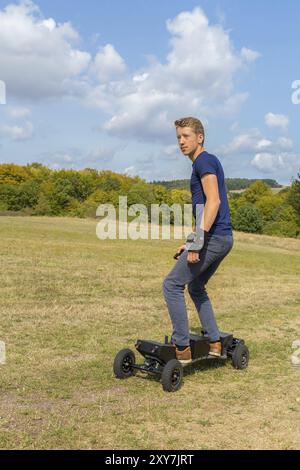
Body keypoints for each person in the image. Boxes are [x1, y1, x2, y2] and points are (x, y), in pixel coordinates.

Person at [163, 117, 234, 363]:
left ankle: (182, 348)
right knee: (196, 286)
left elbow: (214, 201)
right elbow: (205, 207)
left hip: (214, 237)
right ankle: (214, 342)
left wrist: (197, 243)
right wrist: (191, 239)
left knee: (172, 284)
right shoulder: (204, 162)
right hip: (221, 237)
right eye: (178, 137)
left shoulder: (204, 161)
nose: (181, 142)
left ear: (199, 137)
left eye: (186, 136)